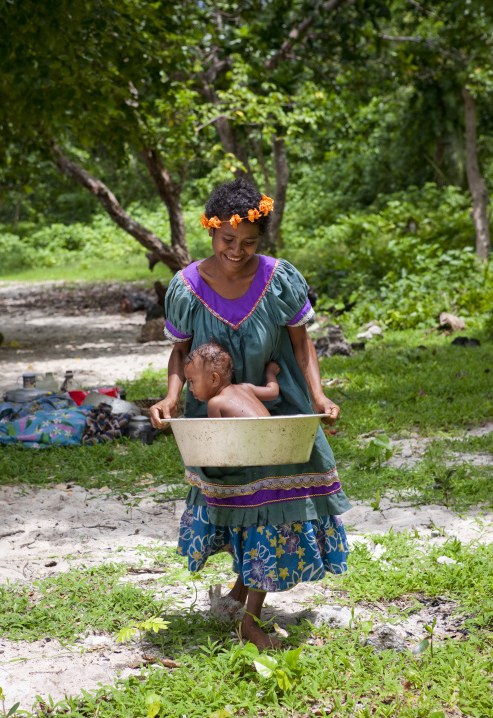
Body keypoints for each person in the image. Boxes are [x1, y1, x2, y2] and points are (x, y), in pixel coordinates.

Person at [151, 178, 351, 650]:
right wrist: (170, 398)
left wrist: (319, 397)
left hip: (279, 414)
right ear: (210, 231)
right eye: (227, 240)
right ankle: (242, 596)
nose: (237, 250)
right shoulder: (187, 287)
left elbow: (303, 345)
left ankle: (247, 616)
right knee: (237, 500)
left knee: (273, 505)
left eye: (249, 242)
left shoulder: (279, 278)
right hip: (219, 421)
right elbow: (180, 354)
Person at [183, 340, 280, 417]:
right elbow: (273, 392)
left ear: (214, 379)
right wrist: (270, 372)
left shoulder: (215, 404)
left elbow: (217, 437)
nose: (190, 388)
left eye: (192, 381)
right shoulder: (245, 388)